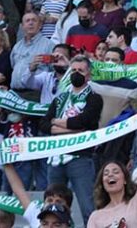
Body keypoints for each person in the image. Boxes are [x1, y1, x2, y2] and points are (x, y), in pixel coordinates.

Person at [39, 55, 103, 225]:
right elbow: (44, 123)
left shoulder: (94, 98)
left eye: (80, 71)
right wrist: (67, 127)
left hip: (79, 157)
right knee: (52, 206)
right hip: (56, 155)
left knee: (87, 205)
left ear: (88, 75)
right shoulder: (60, 98)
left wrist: (56, 123)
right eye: (73, 70)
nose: (76, 73)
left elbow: (85, 122)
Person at [87, 122, 137, 227]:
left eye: (116, 172)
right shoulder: (96, 217)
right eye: (106, 174)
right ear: (102, 183)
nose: (110, 175)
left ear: (125, 180)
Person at [10, 12, 54, 91]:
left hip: (35, 94)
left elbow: (53, 69)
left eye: (34, 20)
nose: (31, 23)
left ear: (40, 25)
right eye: (27, 21)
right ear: (22, 26)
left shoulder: (49, 45)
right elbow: (13, 66)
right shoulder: (17, 46)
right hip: (15, 94)